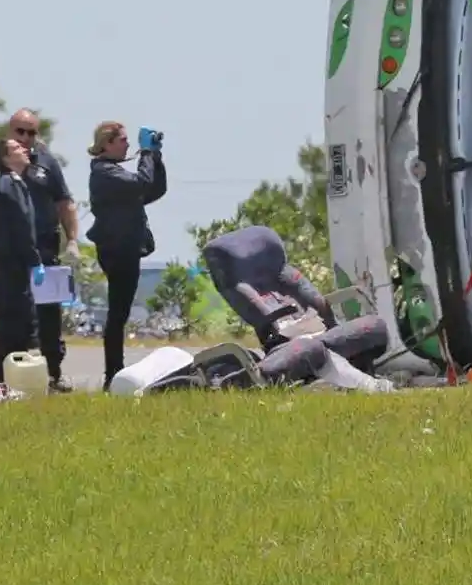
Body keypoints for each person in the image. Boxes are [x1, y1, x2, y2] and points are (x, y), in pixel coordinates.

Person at [0, 109, 81, 393]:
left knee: (47, 316)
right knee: (12, 316)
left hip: (44, 248)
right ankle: (9, 376)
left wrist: (72, 239)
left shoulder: (46, 161)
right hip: (11, 253)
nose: (26, 139)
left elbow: (64, 202)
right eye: (20, 132)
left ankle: (52, 372)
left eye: (32, 133)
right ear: (9, 132)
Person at [86, 121, 167, 391]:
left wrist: (155, 155)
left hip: (127, 247)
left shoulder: (115, 173)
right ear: (106, 144)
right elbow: (140, 182)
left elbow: (153, 189)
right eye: (122, 139)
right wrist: (145, 154)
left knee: (119, 313)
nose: (128, 144)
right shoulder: (104, 172)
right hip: (116, 249)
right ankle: (113, 373)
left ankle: (114, 372)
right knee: (117, 313)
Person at [0, 139, 45, 385]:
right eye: (16, 149)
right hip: (13, 265)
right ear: (5, 159)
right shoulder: (10, 184)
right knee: (18, 325)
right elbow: (21, 223)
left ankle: (8, 382)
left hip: (3, 265)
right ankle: (10, 384)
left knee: (9, 325)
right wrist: (34, 260)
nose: (24, 150)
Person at [200, 224, 336, 350]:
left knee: (319, 307)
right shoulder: (242, 288)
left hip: (305, 326)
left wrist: (326, 318)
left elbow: (314, 299)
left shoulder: (281, 272)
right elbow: (265, 317)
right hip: (287, 335)